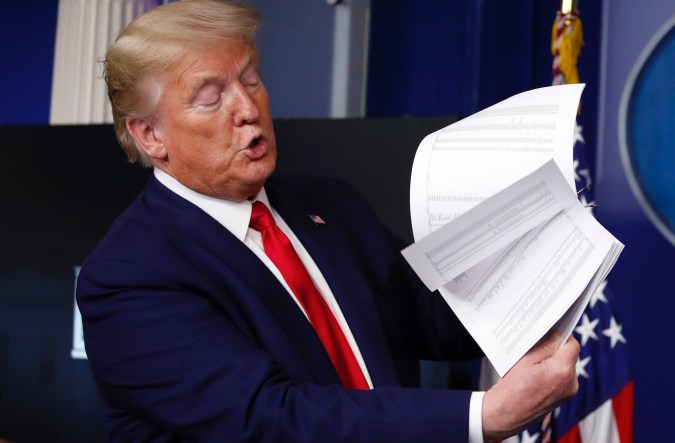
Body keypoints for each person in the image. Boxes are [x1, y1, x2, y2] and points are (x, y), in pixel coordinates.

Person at [76, 0, 580, 441]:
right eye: (211, 98)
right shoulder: (128, 277)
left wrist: (548, 268)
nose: (248, 108)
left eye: (250, 79)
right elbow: (269, 418)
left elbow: (435, 319)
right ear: (150, 136)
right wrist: (481, 417)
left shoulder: (331, 206)